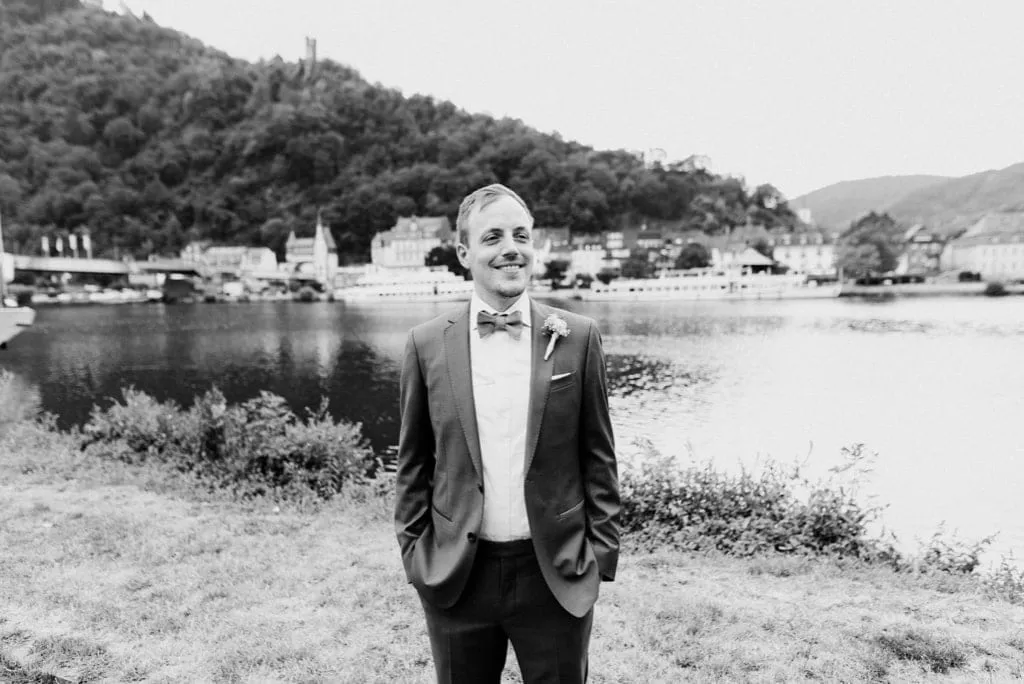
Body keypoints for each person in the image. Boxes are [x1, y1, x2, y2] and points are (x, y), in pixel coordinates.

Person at [394, 183, 620, 683]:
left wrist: (599, 555)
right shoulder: (425, 344)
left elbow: (599, 456)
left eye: (521, 235)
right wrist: (417, 555)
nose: (510, 248)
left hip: (555, 571)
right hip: (457, 574)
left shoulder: (578, 337)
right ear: (463, 253)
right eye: (492, 237)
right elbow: (413, 463)